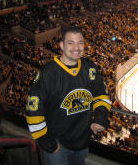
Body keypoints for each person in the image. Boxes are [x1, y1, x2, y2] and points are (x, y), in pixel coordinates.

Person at [25, 26, 111, 165]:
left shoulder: (90, 68)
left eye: (80, 42)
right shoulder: (48, 73)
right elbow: (33, 109)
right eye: (70, 42)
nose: (76, 47)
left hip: (82, 140)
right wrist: (45, 139)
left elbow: (101, 95)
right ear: (61, 45)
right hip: (57, 144)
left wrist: (100, 117)